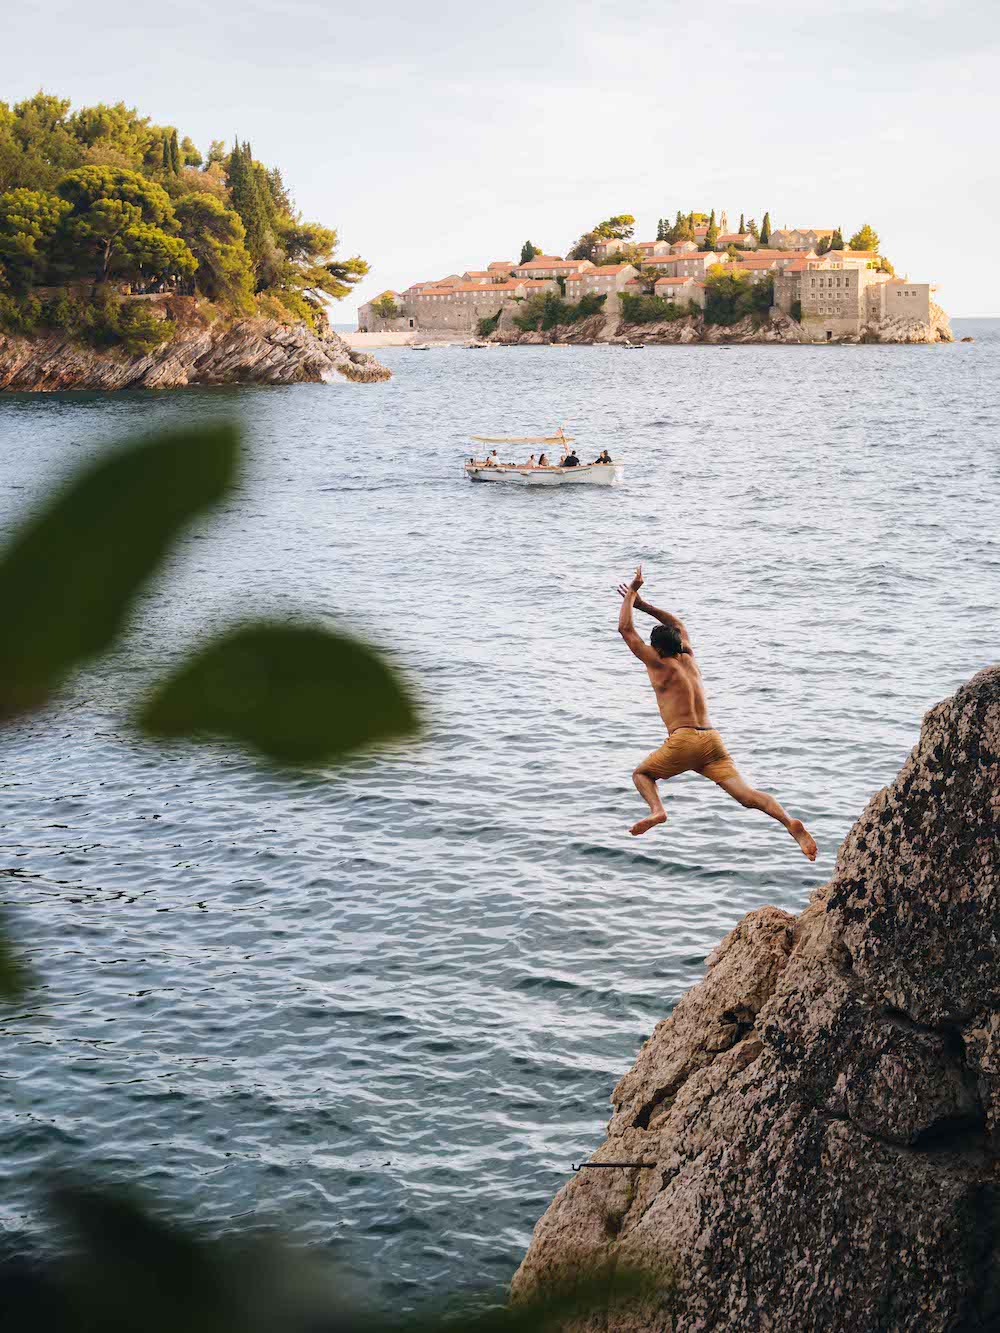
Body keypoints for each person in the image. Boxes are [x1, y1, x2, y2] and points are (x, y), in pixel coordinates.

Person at [616, 566, 817, 859]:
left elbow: (626, 630)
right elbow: (677, 623)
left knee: (642, 774)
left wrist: (631, 593)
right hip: (711, 740)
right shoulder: (689, 659)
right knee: (748, 796)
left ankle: (658, 811)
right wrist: (644, 605)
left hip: (683, 740)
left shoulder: (659, 664)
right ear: (678, 644)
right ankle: (789, 822)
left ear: (658, 649)